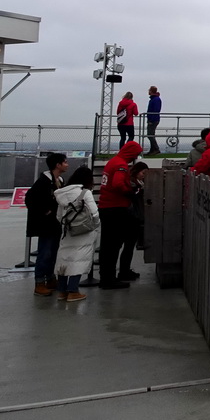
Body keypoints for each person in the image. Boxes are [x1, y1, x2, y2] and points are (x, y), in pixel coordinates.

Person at [99, 141, 143, 289]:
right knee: (113, 245)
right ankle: (108, 280)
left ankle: (106, 277)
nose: (135, 158)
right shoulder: (121, 165)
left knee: (107, 245)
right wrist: (130, 193)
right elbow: (118, 184)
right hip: (115, 208)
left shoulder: (113, 161)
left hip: (107, 207)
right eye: (135, 154)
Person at [52, 165, 100, 302]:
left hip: (67, 230)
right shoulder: (85, 193)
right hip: (84, 231)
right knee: (79, 260)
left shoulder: (61, 193)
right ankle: (73, 291)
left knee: (64, 259)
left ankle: (62, 291)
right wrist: (94, 225)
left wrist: (68, 225)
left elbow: (59, 215)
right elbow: (94, 212)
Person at [25, 152, 69, 296]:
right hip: (47, 224)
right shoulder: (44, 182)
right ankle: (40, 282)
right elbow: (30, 199)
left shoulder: (57, 180)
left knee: (52, 251)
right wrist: (46, 211)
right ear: (58, 165)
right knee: (45, 252)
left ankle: (50, 278)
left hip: (54, 223)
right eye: (65, 162)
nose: (67, 164)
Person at [145, 86, 162, 155]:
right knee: (151, 135)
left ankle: (156, 149)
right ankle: (152, 150)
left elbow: (155, 110)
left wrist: (151, 119)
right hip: (152, 119)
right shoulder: (154, 99)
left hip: (153, 120)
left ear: (151, 91)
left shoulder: (156, 99)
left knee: (150, 135)